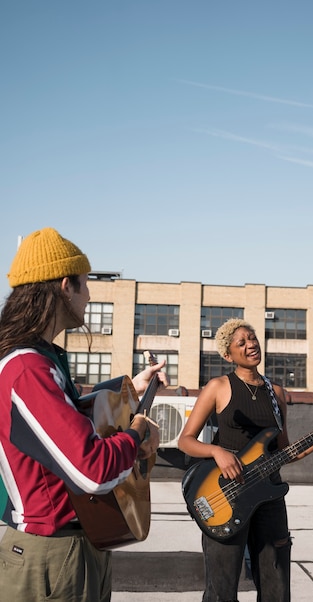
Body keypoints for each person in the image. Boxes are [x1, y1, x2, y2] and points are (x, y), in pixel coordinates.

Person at [0, 227, 166, 602]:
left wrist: (129, 389)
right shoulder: (28, 370)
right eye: (85, 284)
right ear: (64, 286)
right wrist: (137, 432)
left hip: (72, 549)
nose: (90, 294)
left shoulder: (42, 362)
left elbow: (68, 416)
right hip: (52, 555)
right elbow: (92, 470)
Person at [178, 318, 313, 602]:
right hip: (225, 494)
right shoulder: (218, 386)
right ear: (228, 354)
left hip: (269, 497)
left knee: (276, 587)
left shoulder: (277, 393)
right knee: (221, 591)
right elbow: (185, 440)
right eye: (242, 342)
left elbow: (286, 452)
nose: (251, 345)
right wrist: (217, 452)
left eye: (253, 338)